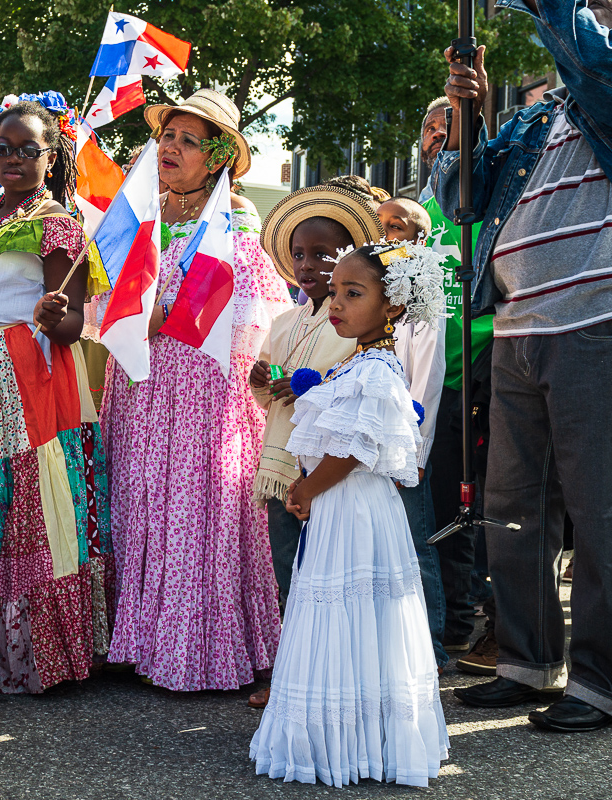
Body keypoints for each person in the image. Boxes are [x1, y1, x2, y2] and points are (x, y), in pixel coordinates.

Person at [434, 0, 612, 732]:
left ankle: (601, 683)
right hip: (515, 325)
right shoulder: (542, 113)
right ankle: (528, 664)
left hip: (593, 324)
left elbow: (594, 63)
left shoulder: (598, 82)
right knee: (512, 508)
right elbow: (460, 197)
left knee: (599, 511)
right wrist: (468, 111)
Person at [101, 89, 291, 692]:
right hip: (140, 385)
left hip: (204, 393)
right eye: (167, 137)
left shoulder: (233, 227)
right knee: (139, 502)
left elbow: (259, 322)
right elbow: (101, 296)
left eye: (188, 141)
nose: (171, 148)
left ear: (216, 159)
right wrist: (132, 316)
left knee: (195, 508)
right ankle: (140, 641)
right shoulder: (137, 215)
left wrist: (174, 314)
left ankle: (198, 647)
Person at [250, 241, 450, 788]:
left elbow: (356, 447)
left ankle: (356, 737)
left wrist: (309, 489)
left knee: (349, 606)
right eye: (335, 291)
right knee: (352, 613)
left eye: (353, 293)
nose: (335, 303)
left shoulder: (379, 368)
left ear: (394, 307)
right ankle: (354, 735)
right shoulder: (359, 361)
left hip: (352, 506)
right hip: (348, 508)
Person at [0, 99, 114, 694]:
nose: (11, 158)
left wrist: (53, 315)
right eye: (3, 148)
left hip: (20, 372)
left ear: (51, 155)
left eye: (26, 149)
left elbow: (71, 325)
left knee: (20, 502)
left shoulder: (58, 222)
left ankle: (31, 654)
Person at [253, 187, 383, 613]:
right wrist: (261, 380)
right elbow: (265, 397)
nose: (307, 264)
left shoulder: (350, 323)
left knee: (322, 574)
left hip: (324, 473)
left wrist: (308, 385)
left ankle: (317, 668)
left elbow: (353, 389)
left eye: (322, 254)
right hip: (278, 465)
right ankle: (293, 668)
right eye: (298, 254)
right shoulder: (283, 321)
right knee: (286, 571)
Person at [416, 99, 498, 676]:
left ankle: (483, 620)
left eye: (452, 125)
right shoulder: (417, 207)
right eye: (429, 126)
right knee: (440, 505)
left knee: (488, 507)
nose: (438, 134)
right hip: (427, 382)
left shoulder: (487, 200)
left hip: (481, 369)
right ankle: (450, 623)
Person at [375, 197, 450, 673]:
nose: (387, 234)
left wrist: (416, 447)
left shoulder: (425, 296)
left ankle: (435, 648)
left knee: (416, 541)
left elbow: (428, 377)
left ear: (420, 236)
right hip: (371, 436)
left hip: (404, 439)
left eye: (397, 227)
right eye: (381, 226)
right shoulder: (378, 288)